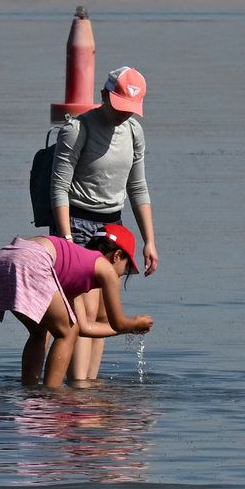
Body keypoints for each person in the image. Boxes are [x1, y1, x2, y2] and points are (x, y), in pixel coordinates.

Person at [49, 65, 158, 382]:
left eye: (131, 109)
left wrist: (149, 240)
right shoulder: (76, 129)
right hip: (76, 223)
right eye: (120, 106)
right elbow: (58, 188)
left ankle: (90, 385)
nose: (125, 115)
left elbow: (137, 187)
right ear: (104, 96)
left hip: (113, 226)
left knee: (102, 312)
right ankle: (78, 386)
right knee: (81, 314)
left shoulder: (134, 132)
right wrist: (67, 241)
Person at [0, 223, 155, 388]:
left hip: (5, 258)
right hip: (32, 260)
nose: (121, 275)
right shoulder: (106, 269)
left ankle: (29, 389)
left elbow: (84, 328)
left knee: (40, 332)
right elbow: (118, 323)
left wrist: (128, 329)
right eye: (125, 269)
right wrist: (134, 323)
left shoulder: (74, 262)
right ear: (117, 256)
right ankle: (52, 394)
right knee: (67, 332)